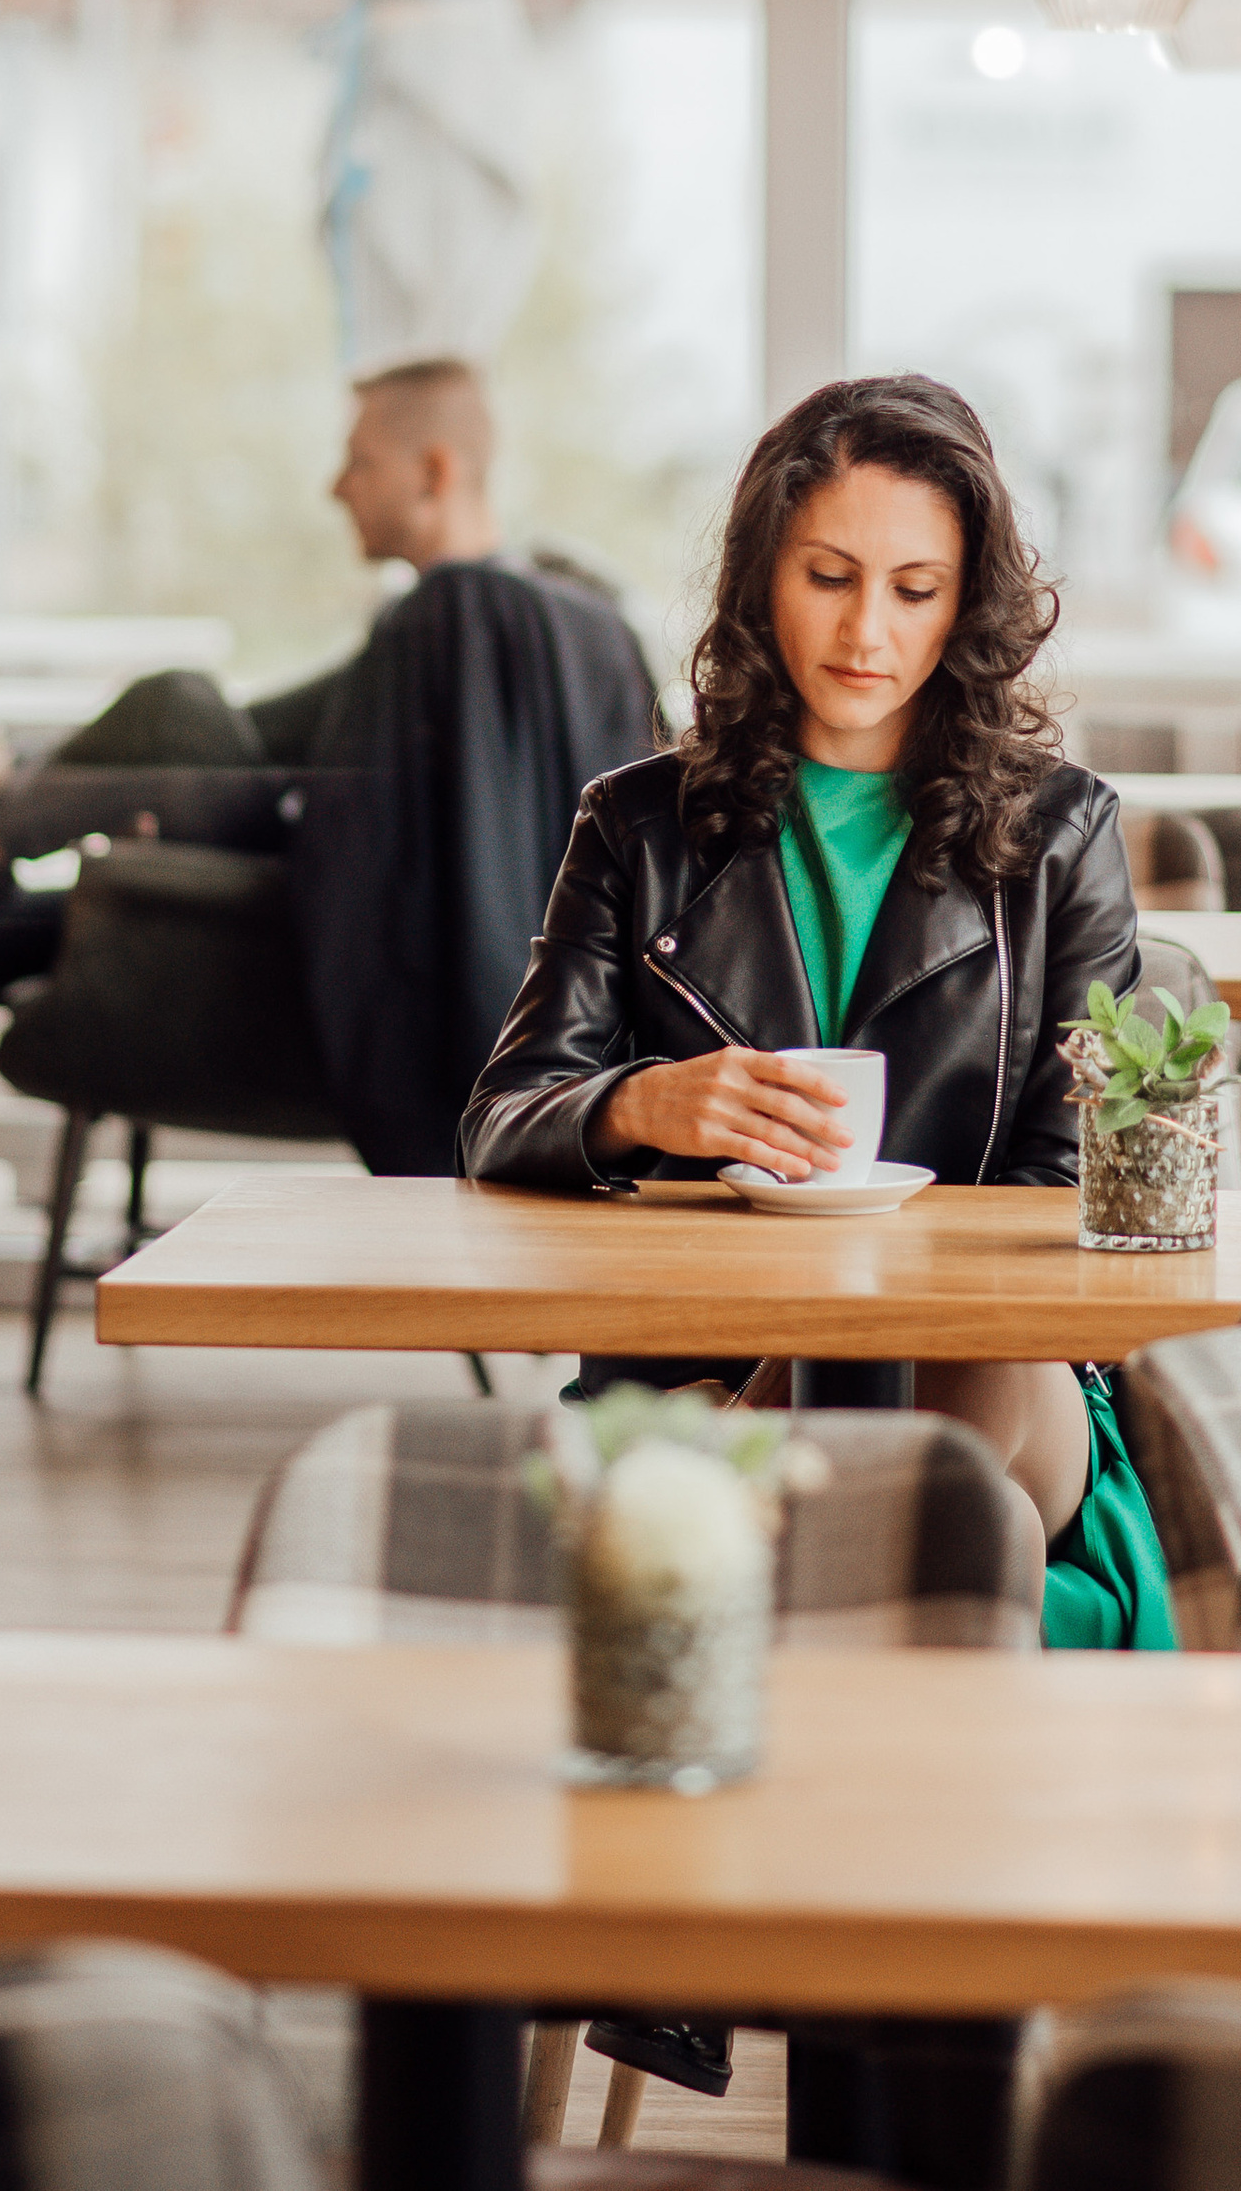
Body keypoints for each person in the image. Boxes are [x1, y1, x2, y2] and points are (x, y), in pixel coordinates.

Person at [0, 359, 655, 1383]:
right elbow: (266, 737)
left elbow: (318, 819)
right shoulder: (528, 630)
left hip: (284, 973)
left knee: (171, 705)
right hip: (237, 933)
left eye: (358, 461)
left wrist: (26, 794)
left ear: (433, 471)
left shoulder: (448, 620)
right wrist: (30, 779)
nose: (336, 486)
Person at [462, 368, 1176, 1652]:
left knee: (962, 1366)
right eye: (828, 577)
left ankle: (718, 1518)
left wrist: (842, 1328)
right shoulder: (635, 827)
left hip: (993, 1362)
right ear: (761, 581)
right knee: (981, 1538)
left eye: (914, 590)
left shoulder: (1062, 834)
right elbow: (502, 1118)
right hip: (704, 1359)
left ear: (966, 607)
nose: (865, 632)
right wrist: (641, 1105)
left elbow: (1070, 1180)